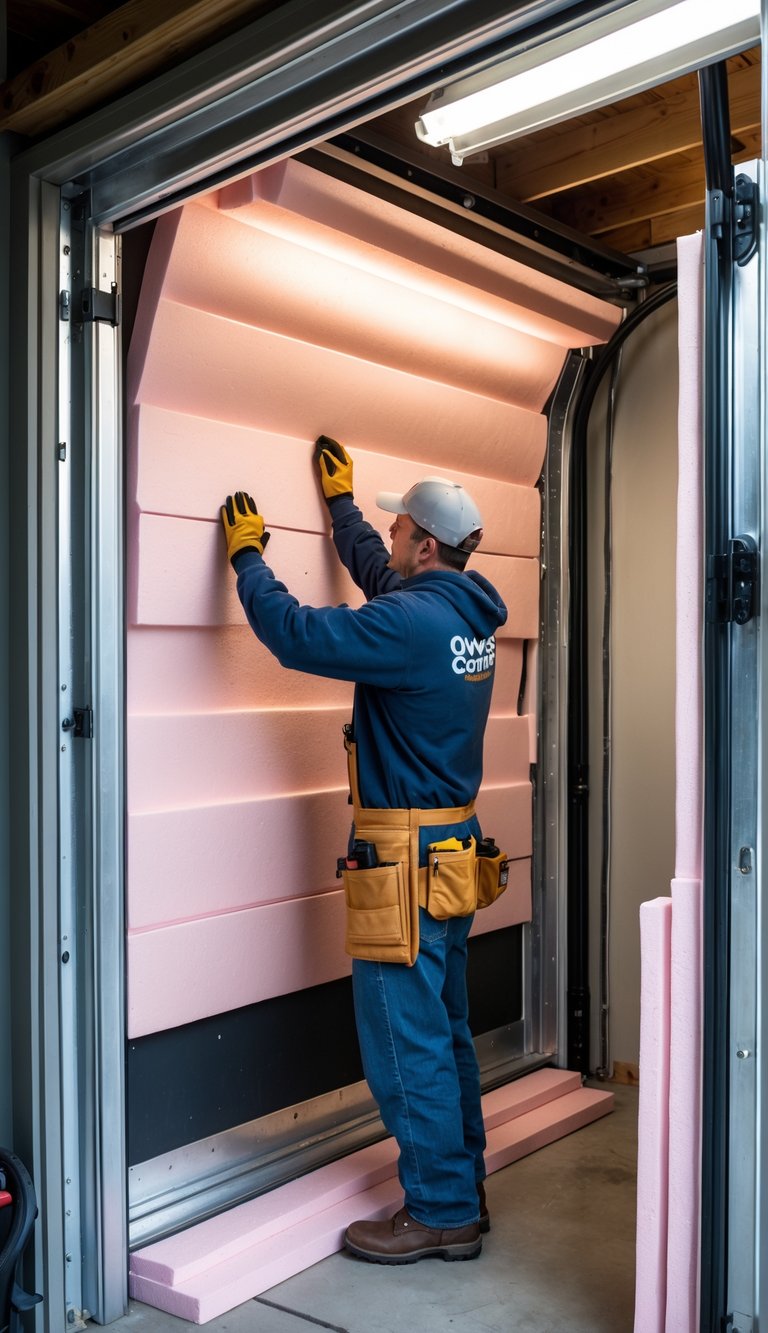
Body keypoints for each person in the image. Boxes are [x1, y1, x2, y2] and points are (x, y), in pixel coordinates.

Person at [220, 436, 507, 1264]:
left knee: (403, 1041)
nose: (387, 545)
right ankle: (464, 1185)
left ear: (424, 543)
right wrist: (343, 510)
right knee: (445, 1029)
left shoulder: (410, 624)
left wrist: (248, 561)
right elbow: (384, 582)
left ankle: (438, 1210)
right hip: (451, 854)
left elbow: (297, 634)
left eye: (396, 531)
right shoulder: (461, 614)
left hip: (403, 867)